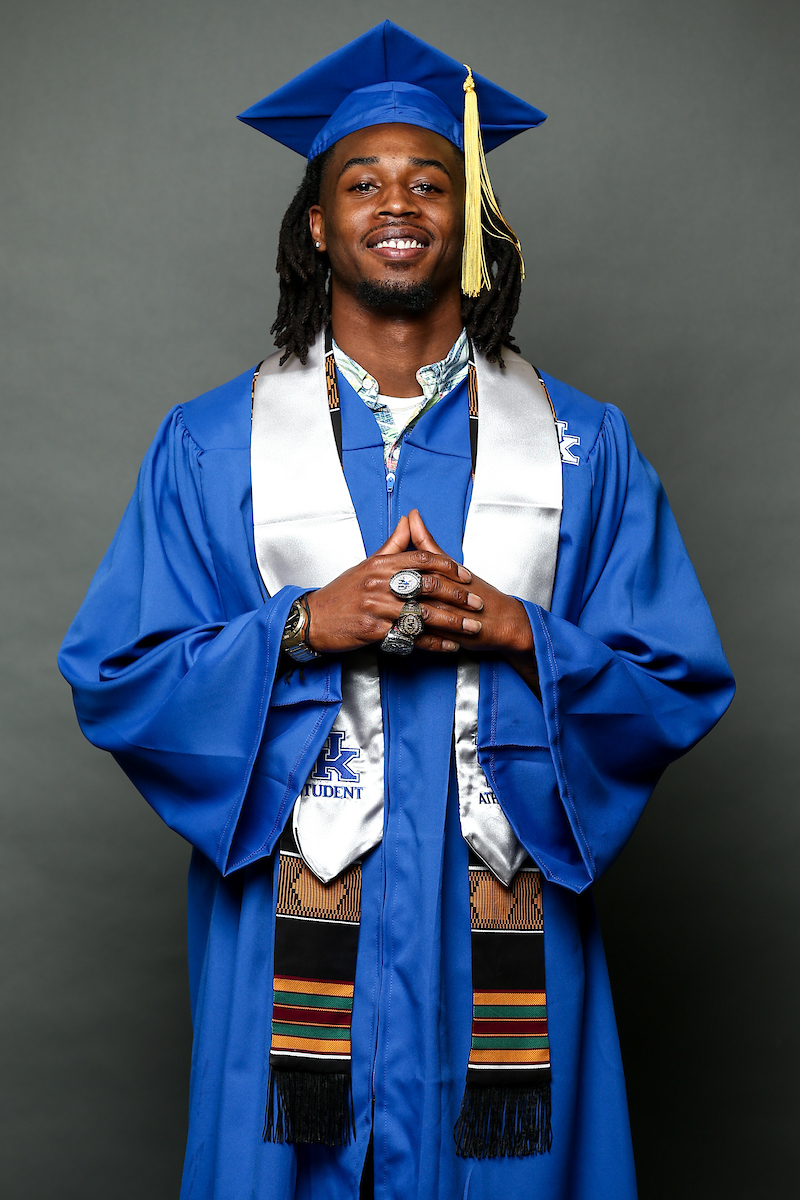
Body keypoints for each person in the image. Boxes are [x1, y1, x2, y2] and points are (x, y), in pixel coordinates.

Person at [59, 20, 734, 1200]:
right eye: (360, 181)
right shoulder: (212, 442)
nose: (398, 203)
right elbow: (117, 673)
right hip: (295, 938)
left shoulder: (581, 446)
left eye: (431, 180)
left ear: (467, 218)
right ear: (316, 225)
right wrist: (298, 627)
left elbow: (675, 678)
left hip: (497, 917)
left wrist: (520, 629)